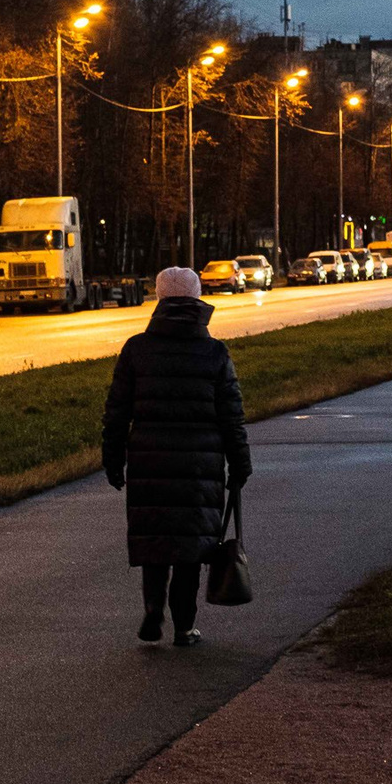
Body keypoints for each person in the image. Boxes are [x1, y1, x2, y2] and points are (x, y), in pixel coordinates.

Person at [102, 266, 251, 647]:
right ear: (197, 300)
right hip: (200, 465)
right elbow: (231, 414)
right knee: (190, 549)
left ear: (159, 299)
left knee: (155, 541)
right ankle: (184, 627)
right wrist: (240, 462)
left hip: (148, 461)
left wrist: (113, 457)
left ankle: (154, 609)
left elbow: (117, 410)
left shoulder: (136, 349)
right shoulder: (214, 352)